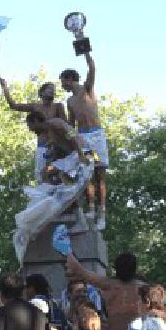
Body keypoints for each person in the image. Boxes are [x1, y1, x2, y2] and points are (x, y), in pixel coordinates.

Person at [60, 52, 108, 230]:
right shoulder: (70, 100)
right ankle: (91, 208)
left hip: (96, 134)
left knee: (100, 174)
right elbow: (71, 124)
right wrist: (69, 139)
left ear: (70, 79)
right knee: (87, 173)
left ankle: (102, 212)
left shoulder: (87, 88)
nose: (62, 85)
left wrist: (85, 50)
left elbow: (92, 67)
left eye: (63, 81)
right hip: (83, 137)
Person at [0, 79, 67, 183]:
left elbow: (66, 126)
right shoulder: (35, 107)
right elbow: (14, 105)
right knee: (41, 178)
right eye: (49, 89)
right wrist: (5, 88)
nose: (53, 91)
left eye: (54, 89)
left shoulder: (58, 107)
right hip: (42, 147)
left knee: (57, 174)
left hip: (56, 147)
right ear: (41, 93)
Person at [25, 111, 92, 185]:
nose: (30, 129)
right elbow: (57, 150)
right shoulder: (47, 133)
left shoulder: (55, 123)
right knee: (44, 173)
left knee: (52, 172)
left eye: (30, 125)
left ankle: (68, 178)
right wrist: (49, 161)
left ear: (36, 121)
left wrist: (81, 155)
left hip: (82, 152)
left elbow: (72, 135)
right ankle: (58, 188)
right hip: (70, 158)